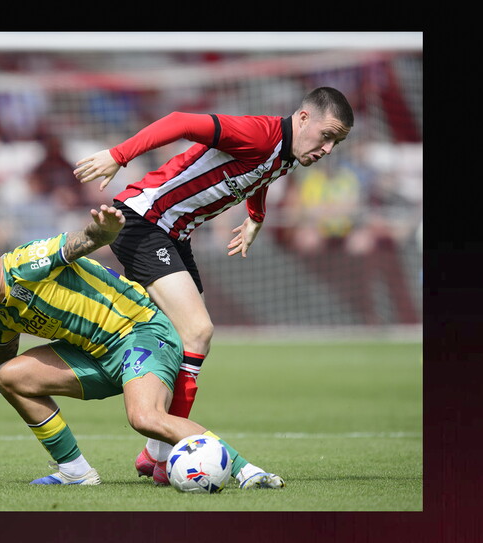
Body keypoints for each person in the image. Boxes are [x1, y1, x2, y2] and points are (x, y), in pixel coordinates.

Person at [73, 87, 354, 484]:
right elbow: (181, 122)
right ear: (304, 118)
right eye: (327, 135)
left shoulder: (288, 153)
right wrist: (118, 156)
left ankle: (156, 453)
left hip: (173, 234)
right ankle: (165, 451)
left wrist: (256, 215)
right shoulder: (259, 133)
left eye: (336, 143)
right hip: (142, 221)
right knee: (198, 330)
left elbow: (262, 173)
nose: (328, 149)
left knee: (180, 339)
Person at [0, 204, 284, 489]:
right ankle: (75, 472)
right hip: (96, 356)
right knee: (7, 375)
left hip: (141, 332)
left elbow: (78, 243)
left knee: (144, 418)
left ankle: (247, 471)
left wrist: (103, 233)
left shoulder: (28, 263)